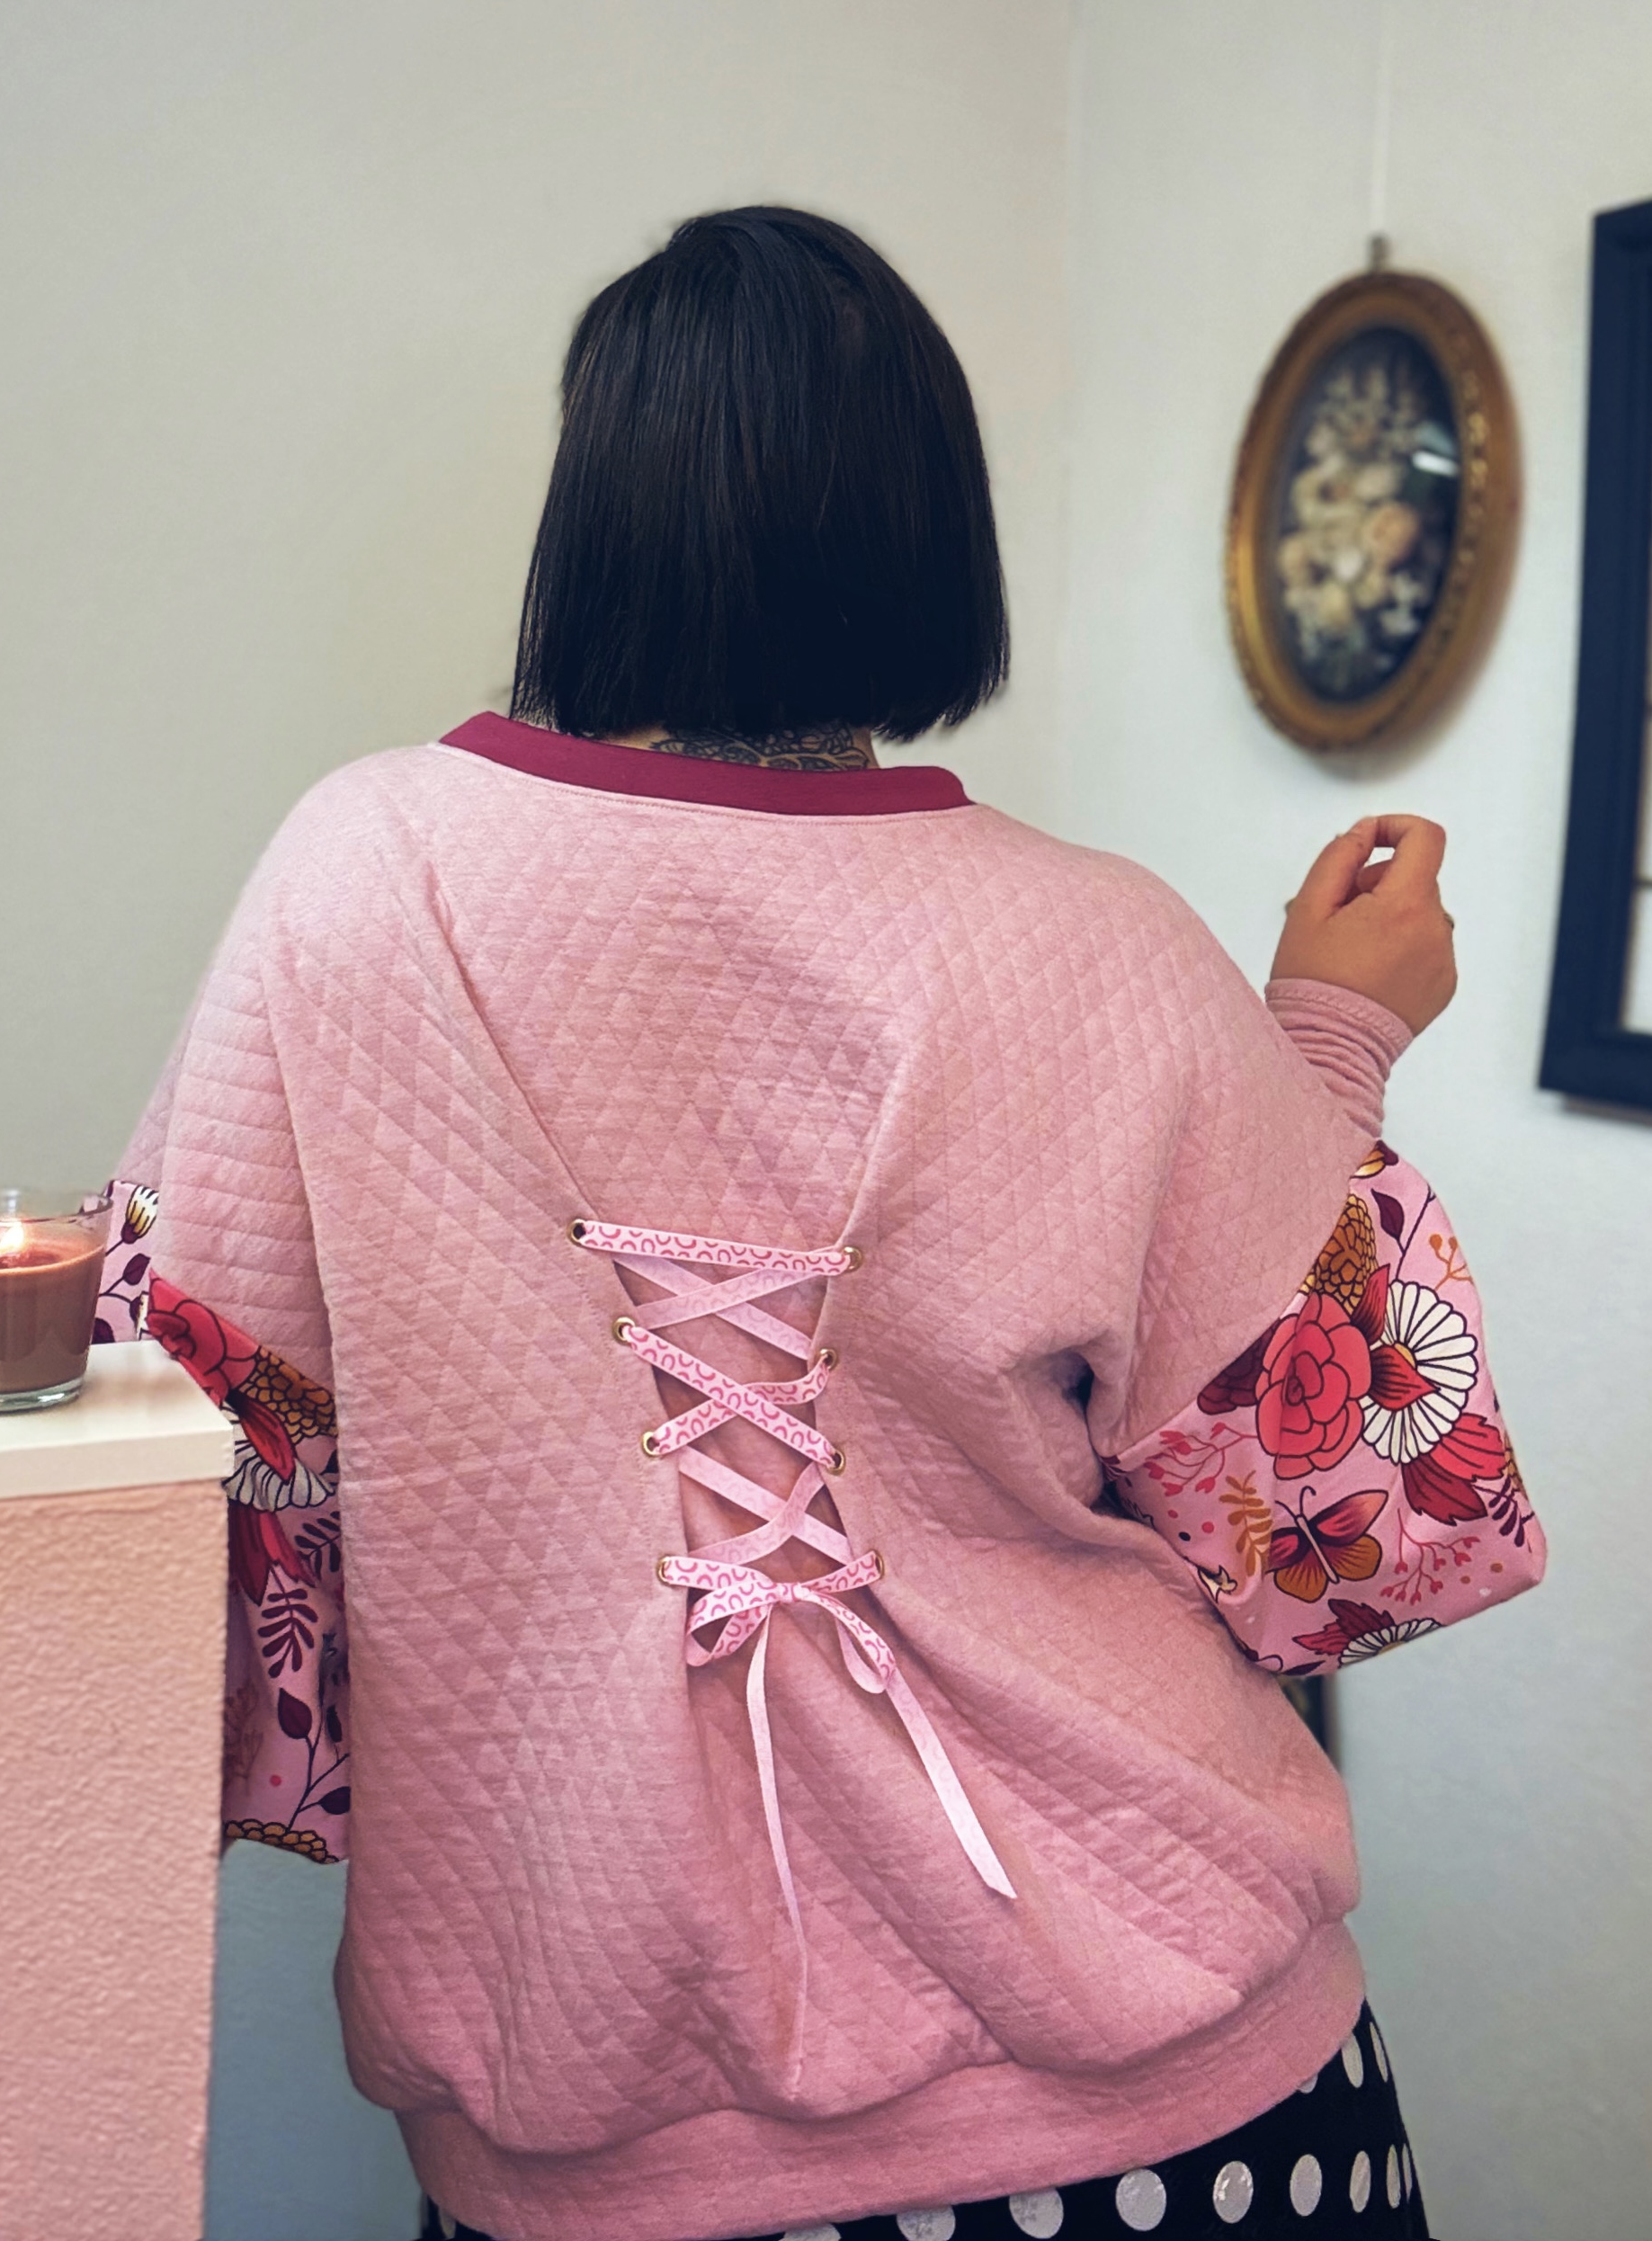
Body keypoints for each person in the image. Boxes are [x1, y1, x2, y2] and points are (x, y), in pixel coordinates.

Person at [111, 208, 1543, 2241]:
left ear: (595, 518)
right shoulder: (1103, 945)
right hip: (1196, 2112)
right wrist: (1326, 1031)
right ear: (932, 533)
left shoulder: (356, 879)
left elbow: (183, 1485)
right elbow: (1352, 1527)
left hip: (594, 2128)